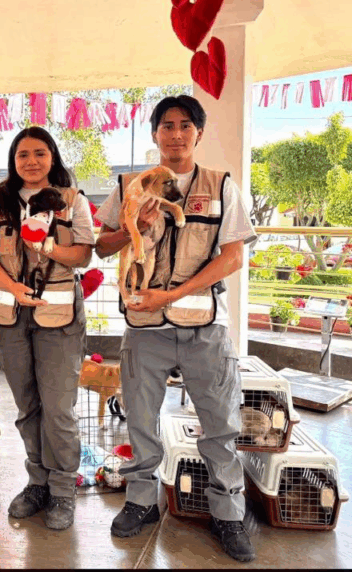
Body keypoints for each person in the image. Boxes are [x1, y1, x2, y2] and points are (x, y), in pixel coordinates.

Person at [95, 95, 257, 563]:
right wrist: (133, 226)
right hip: (144, 327)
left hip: (204, 327)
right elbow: (102, 247)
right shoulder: (128, 184)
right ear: (155, 134)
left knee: (220, 425)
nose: (176, 134)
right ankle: (141, 502)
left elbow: (233, 256)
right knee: (140, 420)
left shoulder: (220, 185)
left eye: (186, 125)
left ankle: (228, 513)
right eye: (167, 125)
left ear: (198, 134)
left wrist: (172, 295)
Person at [0, 126, 95, 530]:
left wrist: (47, 247)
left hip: (58, 319)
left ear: (52, 157)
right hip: (8, 318)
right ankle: (37, 483)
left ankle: (62, 490)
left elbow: (83, 255)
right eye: (22, 154)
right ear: (13, 160)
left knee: (58, 408)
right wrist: (11, 287)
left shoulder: (72, 200)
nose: (31, 161)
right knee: (27, 407)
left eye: (40, 153)